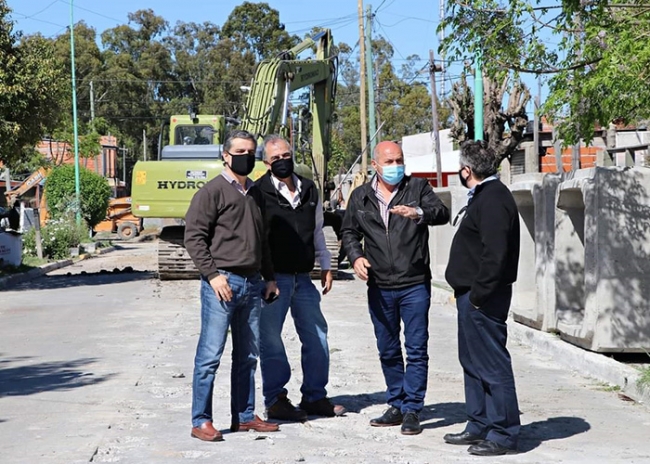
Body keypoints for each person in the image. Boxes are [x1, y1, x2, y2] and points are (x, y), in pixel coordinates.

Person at [341, 140, 450, 435]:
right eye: (388, 162)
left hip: (414, 282)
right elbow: (349, 231)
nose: (395, 166)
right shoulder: (360, 197)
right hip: (379, 285)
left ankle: (413, 408)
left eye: (399, 160)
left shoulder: (418, 188)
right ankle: (396, 403)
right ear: (375, 166)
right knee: (387, 349)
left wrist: (417, 213)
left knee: (416, 349)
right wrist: (356, 257)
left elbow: (442, 213)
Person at [184, 130, 280, 442]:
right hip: (222, 284)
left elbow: (262, 240)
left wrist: (269, 277)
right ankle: (201, 420)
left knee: (248, 356)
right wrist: (213, 275)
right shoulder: (211, 192)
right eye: (239, 151)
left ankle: (244, 416)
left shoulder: (255, 193)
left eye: (251, 151)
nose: (246, 157)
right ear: (225, 155)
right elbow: (194, 237)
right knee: (210, 356)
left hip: (252, 285)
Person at [255, 134, 346, 422]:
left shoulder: (309, 189)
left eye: (286, 155)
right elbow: (257, 239)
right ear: (266, 163)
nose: (283, 161)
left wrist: (326, 265)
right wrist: (265, 276)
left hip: (304, 278)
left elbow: (318, 230)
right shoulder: (258, 193)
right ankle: (276, 400)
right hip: (274, 279)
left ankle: (315, 396)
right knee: (270, 340)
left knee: (317, 336)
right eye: (276, 158)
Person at [443, 140, 521, 456]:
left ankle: (503, 433)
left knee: (492, 365)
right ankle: (479, 423)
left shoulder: (493, 199)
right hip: (471, 296)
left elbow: (495, 254)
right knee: (472, 363)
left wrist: (478, 296)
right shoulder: (484, 196)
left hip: (483, 299)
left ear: (467, 170)